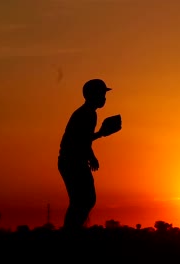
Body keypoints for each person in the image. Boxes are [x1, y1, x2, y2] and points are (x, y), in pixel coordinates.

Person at [58, 78, 121, 232]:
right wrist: (91, 156)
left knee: (83, 200)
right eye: (102, 94)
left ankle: (71, 231)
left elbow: (83, 139)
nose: (104, 98)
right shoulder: (86, 114)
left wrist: (99, 134)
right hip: (72, 161)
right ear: (93, 95)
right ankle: (70, 232)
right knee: (84, 200)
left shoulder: (88, 113)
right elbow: (79, 141)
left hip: (72, 160)